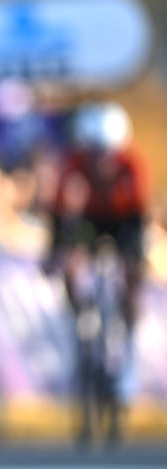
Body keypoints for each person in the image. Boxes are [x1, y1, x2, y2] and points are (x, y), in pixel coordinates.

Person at [46, 100, 152, 403]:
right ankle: (77, 317)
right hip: (90, 219)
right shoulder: (73, 160)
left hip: (124, 220)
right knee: (69, 264)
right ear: (85, 147)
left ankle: (129, 355)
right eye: (95, 151)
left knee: (132, 274)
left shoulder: (133, 163)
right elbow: (58, 208)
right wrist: (56, 250)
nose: (101, 160)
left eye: (108, 152)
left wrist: (135, 255)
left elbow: (140, 213)